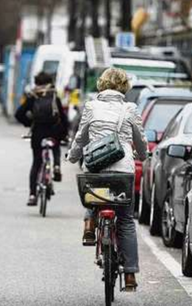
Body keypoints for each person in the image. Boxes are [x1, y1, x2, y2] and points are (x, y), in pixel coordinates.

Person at [67, 68, 148, 292]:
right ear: (124, 86)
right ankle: (130, 274)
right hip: (123, 171)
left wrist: (72, 156)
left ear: (101, 85)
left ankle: (89, 225)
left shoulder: (91, 107)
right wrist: (143, 156)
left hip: (97, 168)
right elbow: (140, 141)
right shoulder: (130, 109)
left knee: (93, 193)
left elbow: (81, 137)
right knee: (125, 221)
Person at [15, 72, 69, 206]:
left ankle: (32, 195)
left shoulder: (33, 96)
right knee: (56, 145)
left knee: (37, 163)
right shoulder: (54, 95)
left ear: (37, 82)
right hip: (53, 131)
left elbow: (19, 114)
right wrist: (65, 133)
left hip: (38, 132)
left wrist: (29, 123)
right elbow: (62, 116)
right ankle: (56, 166)